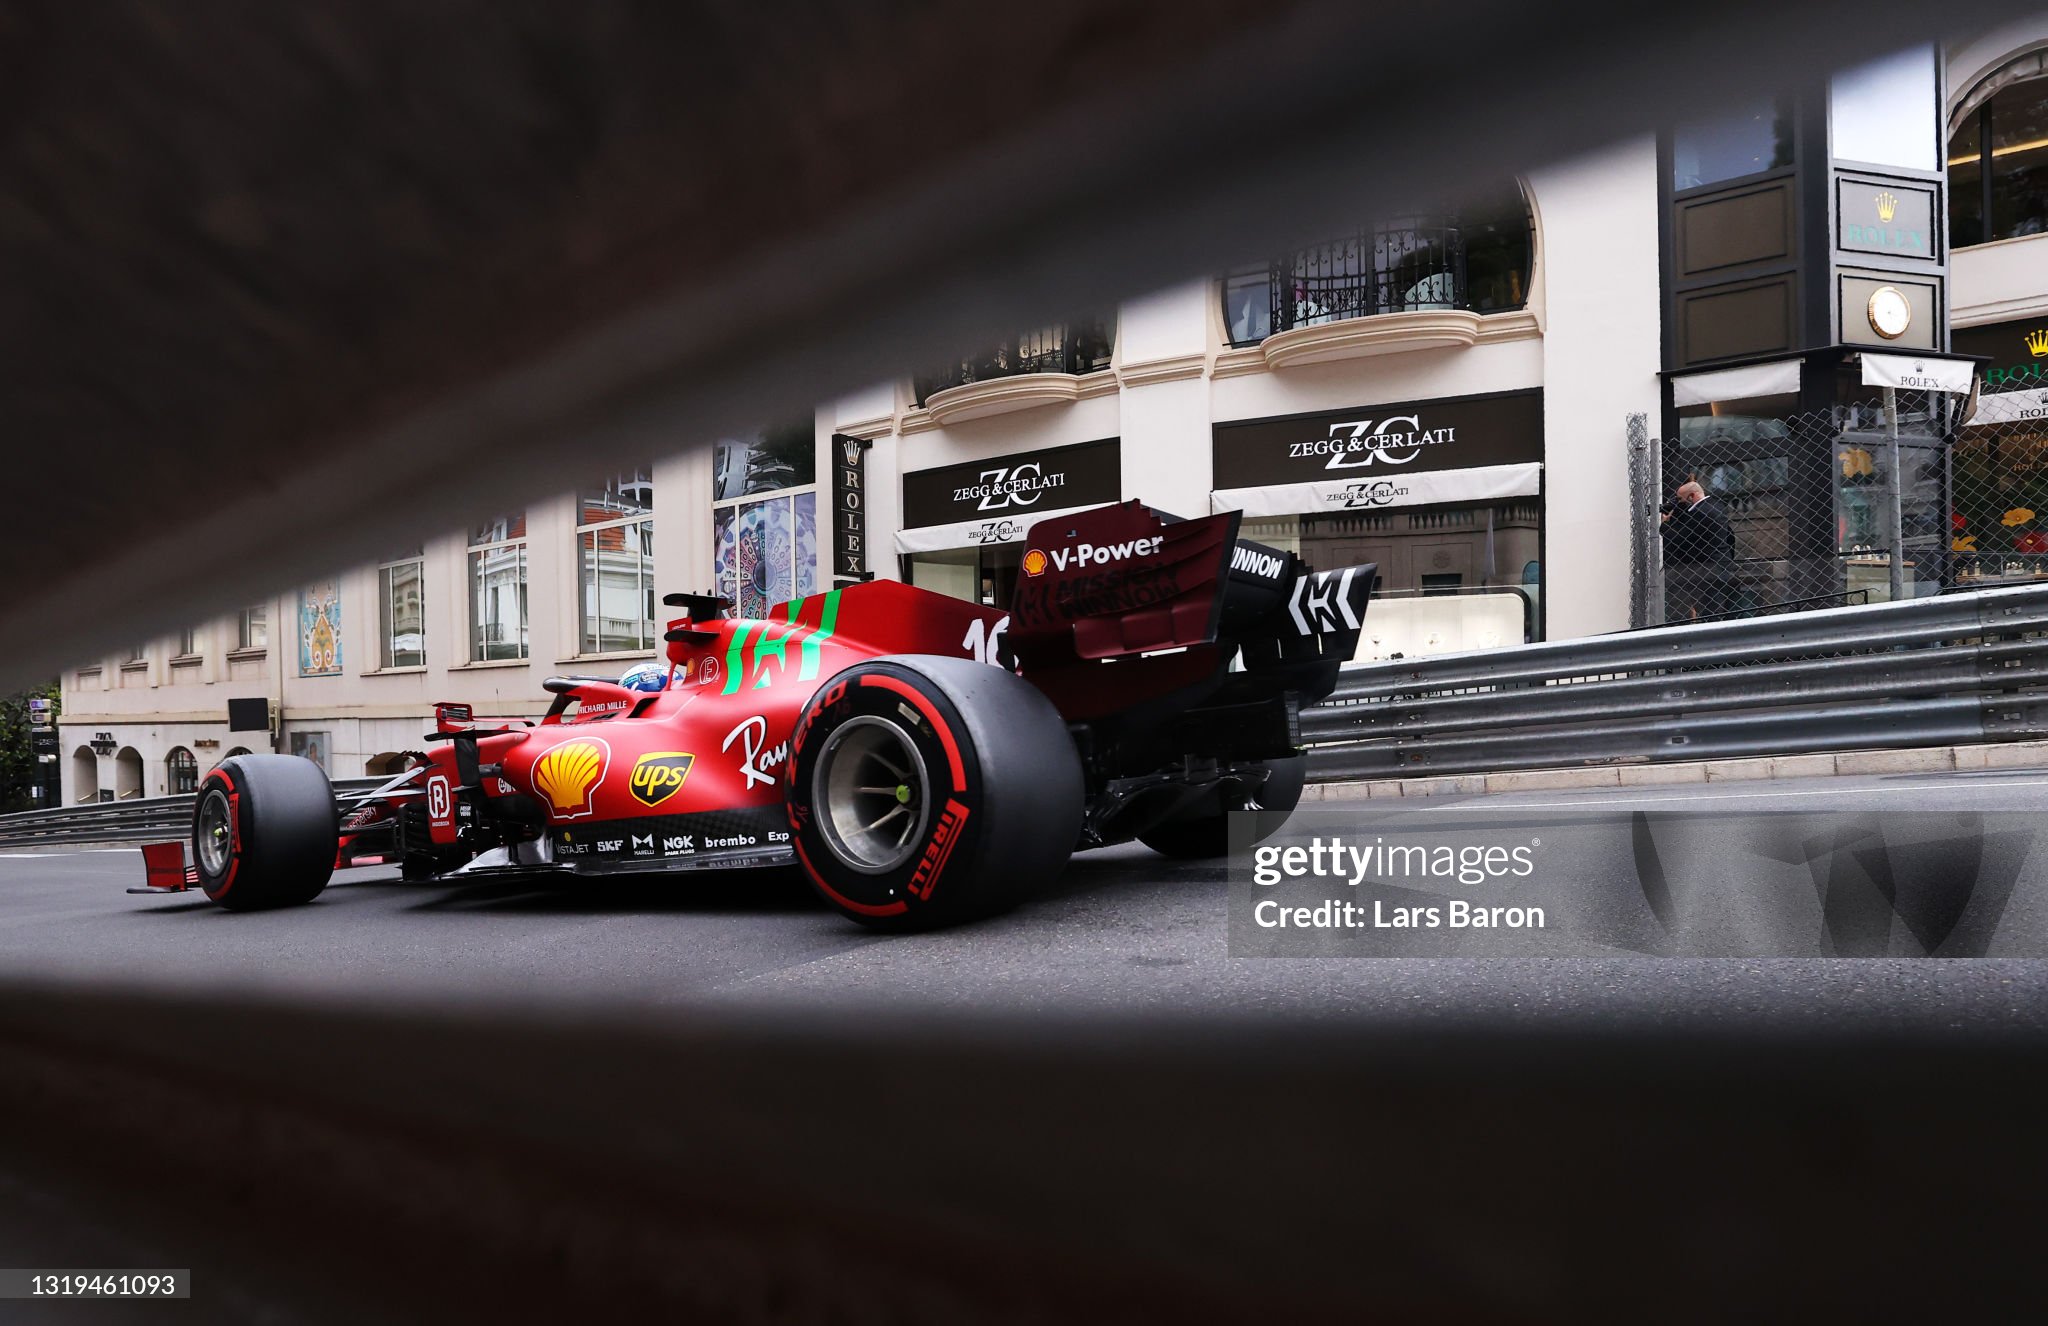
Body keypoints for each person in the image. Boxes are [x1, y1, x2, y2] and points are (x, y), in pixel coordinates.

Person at [1661, 480, 1735, 621]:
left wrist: (1665, 525)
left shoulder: (1700, 513)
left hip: (1707, 572)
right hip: (1717, 568)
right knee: (1714, 611)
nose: (1678, 504)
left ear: (1691, 496)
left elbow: (1680, 538)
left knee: (1709, 614)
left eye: (1680, 500)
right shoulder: (1715, 507)